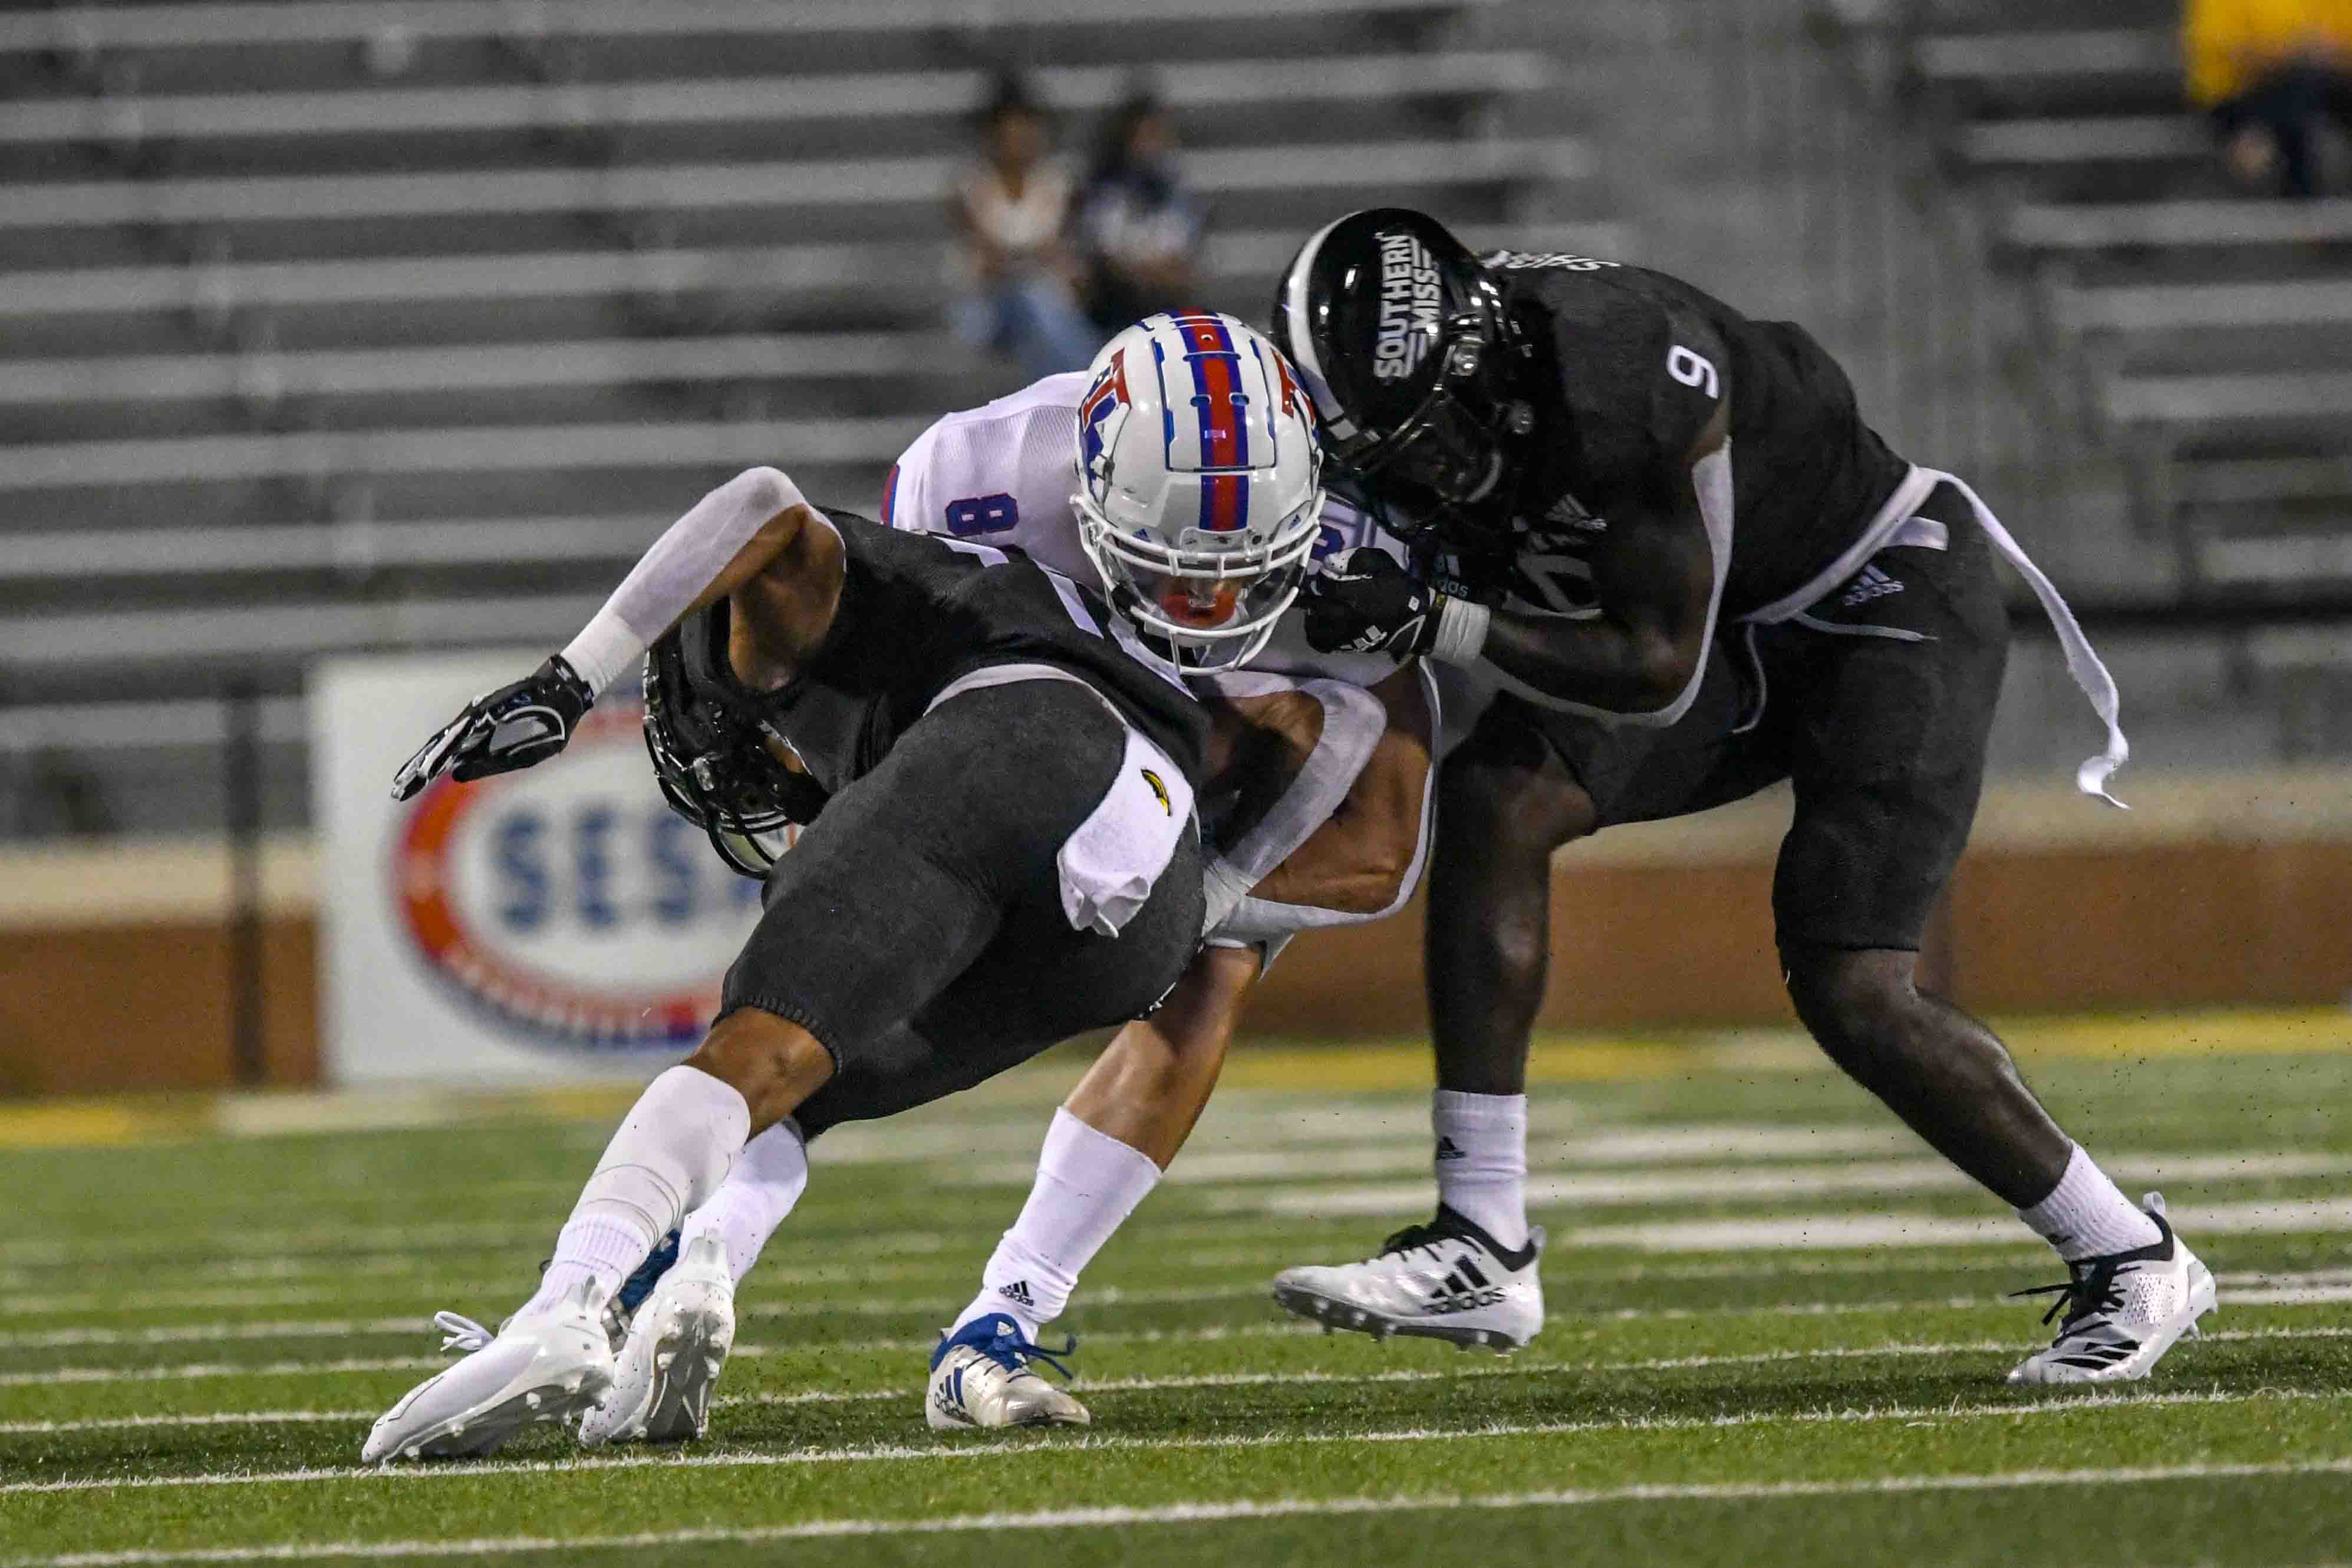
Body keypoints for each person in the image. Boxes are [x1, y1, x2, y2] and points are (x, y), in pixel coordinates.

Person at [1262, 209, 2216, 1385]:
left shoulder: (1626, 375)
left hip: (1877, 589)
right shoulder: (1464, 374)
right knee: (1499, 798)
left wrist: (1439, 615)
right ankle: (1483, 1242)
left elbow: (1657, 668)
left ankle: (2133, 1253)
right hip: (1736, 627)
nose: (1406, 472)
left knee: (1849, 976)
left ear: (1481, 365)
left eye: (1416, 437)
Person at [588, 313, 1441, 1441]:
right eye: (1172, 569)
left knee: (1203, 982)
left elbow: (1378, 851)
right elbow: (889, 683)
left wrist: (1198, 888)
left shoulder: (1367, 565)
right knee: (828, 987)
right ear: (1088, 495)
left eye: (1240, 578)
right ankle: (687, 1259)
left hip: (1225, 785)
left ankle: (1008, 1314)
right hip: (998, 723)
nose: (1205, 610)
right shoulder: (976, 473)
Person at [361, 463, 1221, 1462]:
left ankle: (564, 1306)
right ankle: (681, 1290)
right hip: (1153, 902)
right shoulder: (1019, 609)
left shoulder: (795, 616)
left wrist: (573, 674)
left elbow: (761, 500)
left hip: (1025, 733)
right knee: (794, 1094)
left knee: (749, 1047)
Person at [948, 72, 1101, 380]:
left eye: (1025, 131)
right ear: (994, 135)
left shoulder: (1057, 182)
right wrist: (1030, 259)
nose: (1019, 142)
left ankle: (1067, 380)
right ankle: (1086, 375)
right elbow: (988, 261)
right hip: (985, 308)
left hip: (1047, 304)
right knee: (1029, 298)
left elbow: (1058, 251)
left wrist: (1021, 258)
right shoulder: (970, 185)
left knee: (1038, 307)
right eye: (1010, 133)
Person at [1073, 87, 1205, 333]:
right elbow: (1106, 255)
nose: (1152, 146)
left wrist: (1164, 271)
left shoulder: (1175, 189)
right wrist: (1141, 271)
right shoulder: (1105, 189)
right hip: (1114, 302)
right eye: (1144, 137)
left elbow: (1182, 254)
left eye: (1158, 136)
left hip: (1163, 299)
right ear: (1126, 140)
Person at [2188, 0, 2352, 197]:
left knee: (2305, 89)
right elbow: (2227, 49)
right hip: (2243, 95)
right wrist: (2290, 53)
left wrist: (2325, 52)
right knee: (2295, 97)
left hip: (2316, 86)